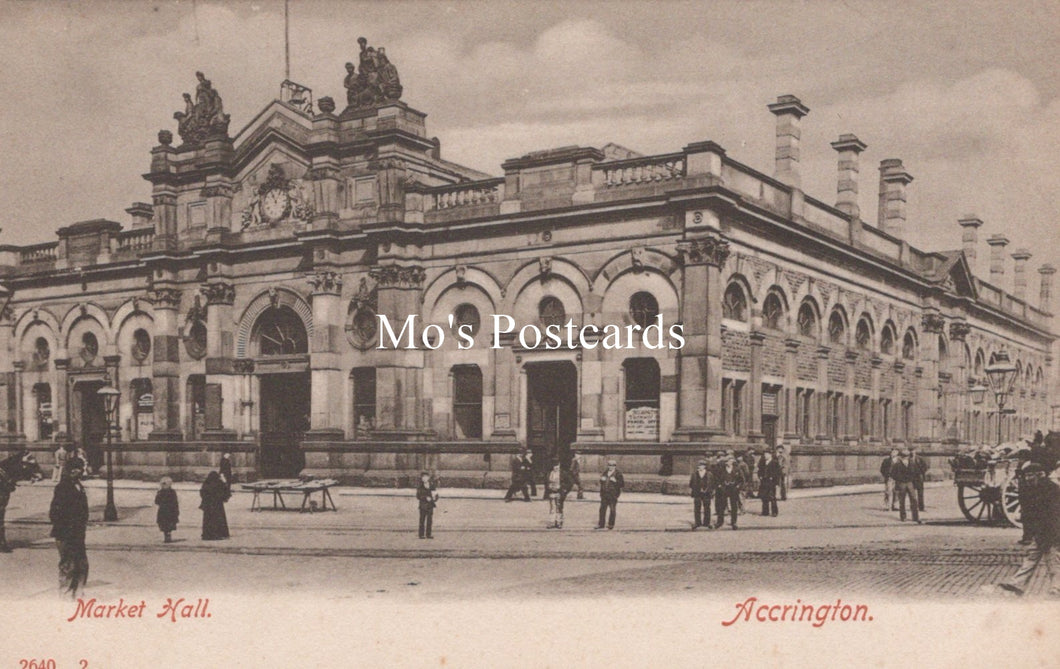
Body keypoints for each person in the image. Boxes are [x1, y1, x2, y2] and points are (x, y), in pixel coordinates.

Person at [998, 463, 1060, 597]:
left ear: (1039, 475)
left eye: (1030, 475)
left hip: (1052, 530)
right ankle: (1018, 584)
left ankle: (1055, 587)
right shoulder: (1032, 489)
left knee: (1052, 559)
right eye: (1026, 476)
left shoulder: (1052, 489)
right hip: (1041, 531)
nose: (1027, 478)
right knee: (1037, 557)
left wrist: (1050, 534)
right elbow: (1028, 514)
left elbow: (1054, 514)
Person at [50, 457, 89, 599]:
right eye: (78, 468)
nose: (80, 471)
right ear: (71, 470)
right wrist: (65, 529)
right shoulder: (62, 487)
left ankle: (79, 592)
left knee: (82, 564)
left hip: (78, 532)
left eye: (80, 468)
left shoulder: (78, 485)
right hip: (65, 533)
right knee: (68, 565)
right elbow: (54, 512)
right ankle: (66, 595)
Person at [889, 449, 920, 523]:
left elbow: (916, 472)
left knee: (914, 500)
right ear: (901, 457)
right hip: (901, 483)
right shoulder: (897, 464)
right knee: (902, 501)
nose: (906, 458)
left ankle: (915, 517)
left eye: (907, 456)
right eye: (904, 456)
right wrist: (899, 480)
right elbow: (892, 474)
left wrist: (913, 480)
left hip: (910, 483)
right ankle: (903, 517)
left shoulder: (912, 463)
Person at [715, 457, 745, 530]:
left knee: (734, 506)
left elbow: (742, 480)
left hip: (733, 489)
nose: (727, 463)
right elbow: (717, 479)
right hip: (723, 489)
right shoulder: (721, 469)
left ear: (732, 462)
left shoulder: (737, 469)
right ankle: (720, 522)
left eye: (729, 461)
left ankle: (734, 522)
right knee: (722, 506)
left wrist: (738, 486)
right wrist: (720, 486)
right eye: (726, 461)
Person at [199, 471, 230, 540]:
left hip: (208, 506)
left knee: (208, 520)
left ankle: (207, 534)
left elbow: (202, 492)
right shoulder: (219, 483)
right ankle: (218, 533)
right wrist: (225, 482)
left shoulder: (206, 483)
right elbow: (226, 492)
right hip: (217, 505)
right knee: (218, 520)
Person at [544, 460, 573, 529]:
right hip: (551, 493)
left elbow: (570, 482)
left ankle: (559, 522)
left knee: (559, 508)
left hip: (559, 493)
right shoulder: (549, 473)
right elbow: (546, 482)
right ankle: (551, 522)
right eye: (554, 466)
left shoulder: (563, 473)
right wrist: (548, 489)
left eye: (557, 466)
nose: (556, 468)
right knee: (552, 508)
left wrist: (565, 490)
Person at [596, 460, 624, 530]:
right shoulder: (605, 472)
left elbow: (622, 484)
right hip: (604, 494)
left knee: (612, 510)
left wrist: (615, 481)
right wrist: (601, 480)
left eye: (612, 465)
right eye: (609, 465)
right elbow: (601, 481)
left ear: (615, 466)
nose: (611, 467)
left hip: (613, 495)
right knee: (602, 509)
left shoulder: (618, 474)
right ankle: (601, 524)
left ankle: (611, 525)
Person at [689, 459, 714, 529]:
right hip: (697, 493)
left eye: (702, 465)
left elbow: (712, 484)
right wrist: (696, 489)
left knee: (707, 508)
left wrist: (708, 490)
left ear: (705, 466)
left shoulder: (709, 474)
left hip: (707, 493)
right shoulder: (694, 474)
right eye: (700, 465)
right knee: (697, 508)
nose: (701, 467)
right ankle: (697, 523)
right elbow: (691, 484)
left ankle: (706, 523)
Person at [155, 477, 179, 543]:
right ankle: (167, 535)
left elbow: (157, 502)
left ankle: (167, 535)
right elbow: (157, 501)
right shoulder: (172, 492)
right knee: (167, 524)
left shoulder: (161, 492)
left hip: (165, 510)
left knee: (166, 524)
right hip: (168, 510)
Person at [758, 450, 781, 517]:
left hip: (771, 482)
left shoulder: (774, 463)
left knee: (772, 497)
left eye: (766, 454)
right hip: (764, 482)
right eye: (764, 454)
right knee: (764, 496)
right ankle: (765, 511)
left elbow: (778, 473)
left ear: (770, 455)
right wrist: (760, 476)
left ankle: (774, 512)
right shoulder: (762, 462)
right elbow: (759, 470)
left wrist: (776, 482)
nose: (765, 456)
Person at [416, 471, 438, 539]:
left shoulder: (431, 485)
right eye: (423, 477)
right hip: (423, 505)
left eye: (426, 477)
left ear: (428, 478)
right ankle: (421, 534)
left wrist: (434, 498)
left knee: (429, 520)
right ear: (422, 478)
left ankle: (428, 534)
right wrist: (425, 498)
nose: (424, 478)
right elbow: (418, 496)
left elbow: (436, 494)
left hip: (430, 505)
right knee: (422, 520)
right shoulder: (420, 486)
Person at [909, 446, 928, 511]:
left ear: (915, 451)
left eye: (913, 450)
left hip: (919, 478)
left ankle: (921, 507)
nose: (912, 452)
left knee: (920, 493)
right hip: (911, 478)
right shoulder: (908, 459)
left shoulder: (919, 458)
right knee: (912, 493)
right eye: (911, 451)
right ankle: (913, 507)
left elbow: (925, 467)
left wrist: (921, 472)